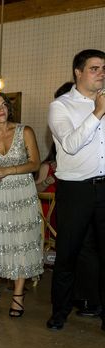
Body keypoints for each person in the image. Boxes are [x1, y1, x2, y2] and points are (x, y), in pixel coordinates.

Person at [47, 49, 105, 332]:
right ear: (78, 73)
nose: (101, 73)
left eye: (104, 68)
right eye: (95, 68)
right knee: (68, 253)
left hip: (104, 187)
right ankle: (59, 313)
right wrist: (97, 112)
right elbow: (70, 144)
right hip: (75, 189)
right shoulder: (61, 106)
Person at [0, 92, 43, 317]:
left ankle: (18, 295)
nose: (1, 109)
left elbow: (35, 164)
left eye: (4, 104)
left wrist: (8, 170)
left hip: (22, 192)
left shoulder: (25, 131)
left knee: (20, 241)